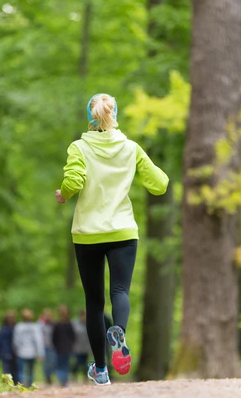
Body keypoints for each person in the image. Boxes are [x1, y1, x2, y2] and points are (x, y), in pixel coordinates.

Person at [55, 93, 169, 386]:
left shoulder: (79, 147)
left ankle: (101, 370)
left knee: (94, 302)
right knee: (120, 291)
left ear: (90, 118)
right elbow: (159, 185)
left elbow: (73, 181)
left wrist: (63, 195)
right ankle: (118, 330)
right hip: (122, 232)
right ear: (113, 115)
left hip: (87, 234)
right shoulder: (131, 148)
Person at [13, 308, 44, 387]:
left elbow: (16, 341)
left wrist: (16, 350)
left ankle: (21, 386)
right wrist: (40, 353)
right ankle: (30, 387)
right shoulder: (35, 327)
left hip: (21, 352)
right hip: (32, 352)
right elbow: (38, 341)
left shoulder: (18, 326)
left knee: (21, 371)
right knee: (30, 371)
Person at [51, 305, 75, 387]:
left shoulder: (57, 325)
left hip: (59, 348)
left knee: (60, 365)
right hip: (66, 348)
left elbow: (53, 338)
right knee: (65, 365)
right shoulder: (69, 324)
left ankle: (62, 380)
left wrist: (55, 346)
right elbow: (73, 337)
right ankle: (64, 380)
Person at [0, 311, 18, 384]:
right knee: (6, 371)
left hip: (15, 352)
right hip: (5, 352)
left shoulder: (16, 327)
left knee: (15, 370)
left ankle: (16, 385)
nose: (11, 319)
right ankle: (7, 385)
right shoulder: (3, 328)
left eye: (12, 317)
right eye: (10, 317)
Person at [71, 310, 91, 381]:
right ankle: (74, 373)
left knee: (85, 362)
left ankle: (85, 375)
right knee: (78, 362)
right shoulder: (75, 323)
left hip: (86, 348)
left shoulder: (88, 324)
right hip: (77, 347)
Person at [39, 308, 56, 385]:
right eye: (46, 315)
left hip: (52, 346)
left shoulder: (54, 324)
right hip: (44, 346)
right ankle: (47, 377)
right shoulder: (41, 324)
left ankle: (50, 374)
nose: (48, 316)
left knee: (53, 362)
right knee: (45, 363)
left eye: (49, 315)